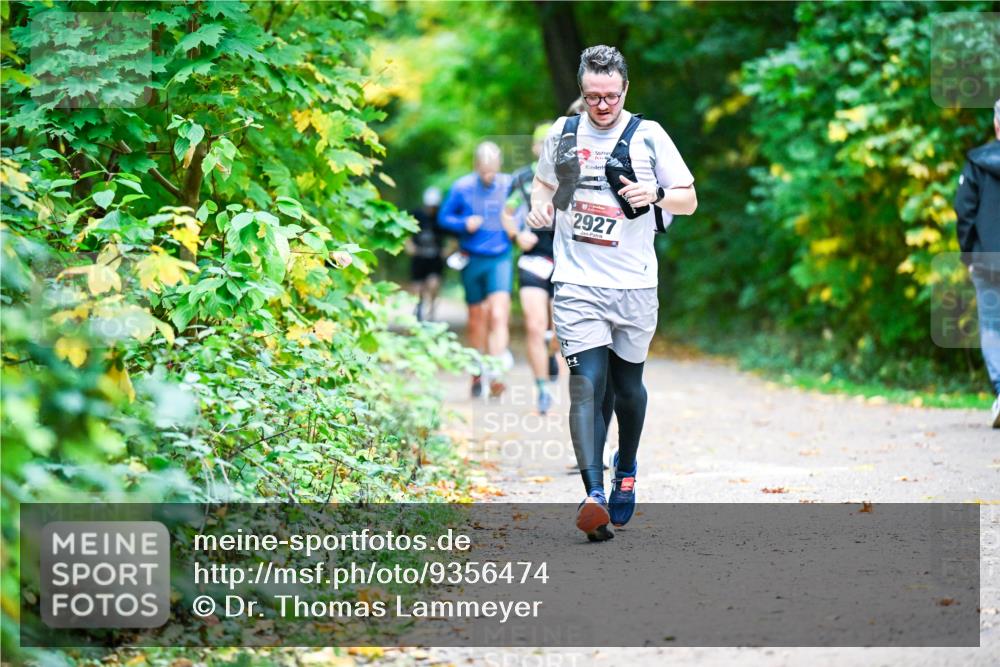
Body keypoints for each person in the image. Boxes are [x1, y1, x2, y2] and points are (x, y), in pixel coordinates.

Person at [527, 45, 697, 540]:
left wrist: (658, 195)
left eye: (611, 96)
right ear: (581, 91)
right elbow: (542, 187)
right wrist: (540, 208)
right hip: (577, 283)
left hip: (635, 285)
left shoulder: (649, 136)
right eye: (592, 96)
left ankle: (626, 465)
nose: (602, 105)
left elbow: (689, 197)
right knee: (586, 386)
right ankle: (594, 495)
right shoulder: (563, 133)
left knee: (626, 390)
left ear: (625, 90)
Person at [438, 142, 517, 398]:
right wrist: (463, 223)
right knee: (477, 318)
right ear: (476, 167)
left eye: (492, 170)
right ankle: (477, 371)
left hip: (500, 256)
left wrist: (517, 228)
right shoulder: (462, 187)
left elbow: (525, 210)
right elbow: (443, 218)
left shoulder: (509, 184)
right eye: (484, 171)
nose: (488, 175)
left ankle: (496, 373)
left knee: (498, 314)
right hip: (472, 258)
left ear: (499, 165)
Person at [505, 122, 562, 414]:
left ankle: (553, 353)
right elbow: (507, 212)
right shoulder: (522, 178)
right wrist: (517, 235)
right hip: (533, 257)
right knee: (534, 325)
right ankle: (542, 388)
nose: (545, 151)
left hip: (565, 259)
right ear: (534, 147)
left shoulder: (571, 176)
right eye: (542, 145)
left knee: (559, 331)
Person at [955, 97, 1000, 428]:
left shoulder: (976, 162)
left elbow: (965, 213)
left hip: (988, 261)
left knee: (992, 326)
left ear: (997, 125)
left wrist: (968, 256)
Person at [406, 186, 444, 321]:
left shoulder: (441, 218)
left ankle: (431, 313)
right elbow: (406, 233)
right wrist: (410, 246)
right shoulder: (416, 214)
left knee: (434, 284)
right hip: (419, 257)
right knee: (418, 287)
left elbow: (452, 236)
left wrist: (447, 251)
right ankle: (418, 309)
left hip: (435, 258)